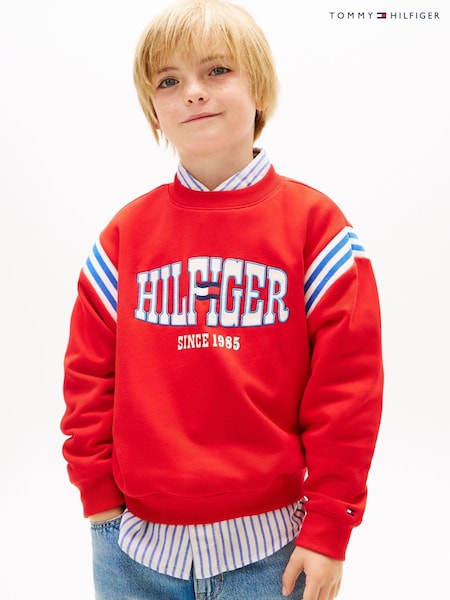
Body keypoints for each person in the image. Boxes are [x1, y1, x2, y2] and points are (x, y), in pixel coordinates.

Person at [61, 1, 383, 598]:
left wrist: (329, 526)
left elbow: (348, 391)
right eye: (169, 81)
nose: (193, 92)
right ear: (153, 110)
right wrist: (99, 500)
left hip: (273, 553)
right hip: (133, 550)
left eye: (216, 70)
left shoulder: (317, 230)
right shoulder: (124, 238)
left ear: (258, 88)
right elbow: (88, 378)